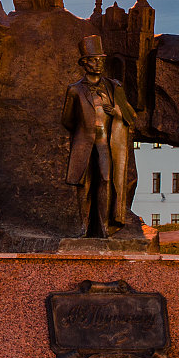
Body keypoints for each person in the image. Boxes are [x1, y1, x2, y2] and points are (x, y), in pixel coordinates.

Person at [61, 35, 137, 238]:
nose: (98, 64)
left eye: (101, 60)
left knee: (105, 180)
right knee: (84, 187)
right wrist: (84, 132)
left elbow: (131, 115)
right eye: (94, 60)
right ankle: (84, 228)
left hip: (106, 145)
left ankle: (104, 228)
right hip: (84, 144)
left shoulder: (114, 87)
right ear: (84, 63)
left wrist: (116, 112)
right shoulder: (74, 90)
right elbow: (67, 120)